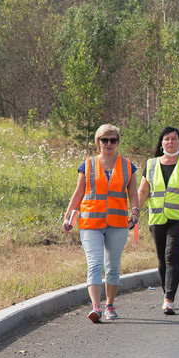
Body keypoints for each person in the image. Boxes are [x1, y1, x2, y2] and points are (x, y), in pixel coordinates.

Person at [62, 124, 140, 323]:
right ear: (98, 142)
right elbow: (78, 193)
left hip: (117, 223)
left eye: (113, 140)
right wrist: (68, 216)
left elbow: (132, 193)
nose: (108, 144)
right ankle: (95, 306)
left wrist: (135, 211)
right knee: (95, 264)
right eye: (104, 140)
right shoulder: (87, 165)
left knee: (112, 266)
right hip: (90, 222)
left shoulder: (127, 166)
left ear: (118, 142)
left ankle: (110, 305)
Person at [138, 126, 179, 315]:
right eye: (166, 139)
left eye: (174, 138)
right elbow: (143, 191)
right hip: (157, 218)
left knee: (171, 256)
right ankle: (166, 292)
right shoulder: (151, 164)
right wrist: (135, 211)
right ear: (161, 143)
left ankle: (169, 299)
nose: (170, 142)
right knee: (161, 259)